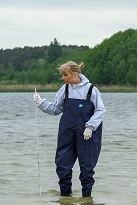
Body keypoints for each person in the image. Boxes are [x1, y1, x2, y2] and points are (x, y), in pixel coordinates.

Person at [33, 61, 106, 197]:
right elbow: (56, 109)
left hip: (87, 135)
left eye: (65, 75)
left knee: (87, 169)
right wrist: (40, 102)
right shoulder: (65, 89)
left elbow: (101, 110)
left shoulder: (91, 90)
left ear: (75, 73)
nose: (63, 78)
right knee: (62, 165)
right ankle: (65, 199)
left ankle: (86, 200)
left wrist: (90, 127)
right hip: (67, 134)